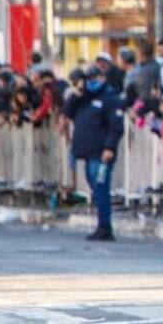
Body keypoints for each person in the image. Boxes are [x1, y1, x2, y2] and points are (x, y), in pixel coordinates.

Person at [63, 65, 125, 241]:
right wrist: (77, 93)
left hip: (101, 152)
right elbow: (67, 112)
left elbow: (116, 126)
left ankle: (105, 227)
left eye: (96, 78)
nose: (92, 82)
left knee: (101, 188)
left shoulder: (110, 99)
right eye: (89, 79)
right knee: (95, 188)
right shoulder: (84, 98)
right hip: (87, 152)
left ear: (103, 78)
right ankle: (102, 224)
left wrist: (110, 147)